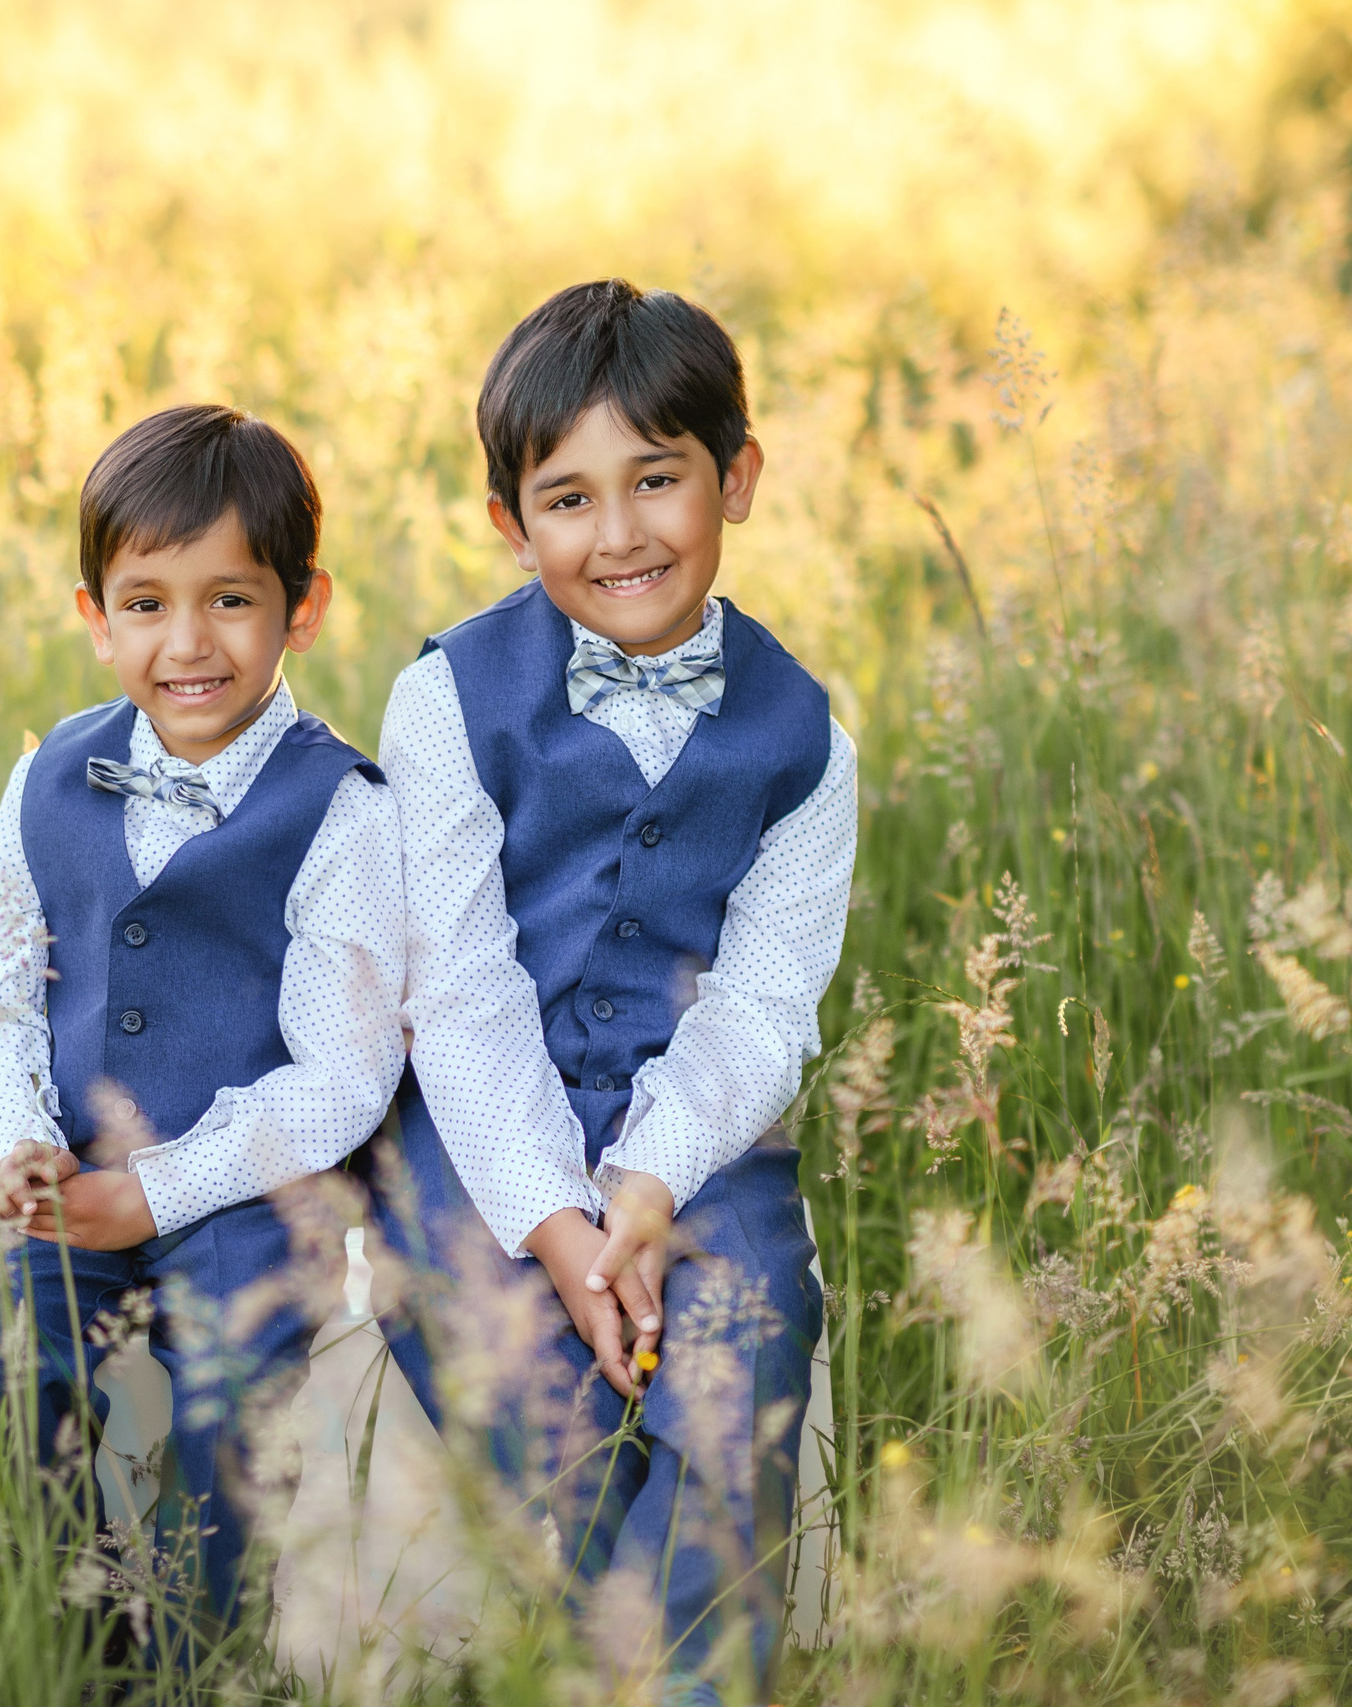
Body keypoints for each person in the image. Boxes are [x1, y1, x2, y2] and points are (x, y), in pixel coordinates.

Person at [375, 280, 858, 1705]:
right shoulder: (449, 699)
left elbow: (765, 1003)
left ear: (739, 477)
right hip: (482, 1125)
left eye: (658, 479)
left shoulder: (806, 735)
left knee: (755, 1321)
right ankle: (635, 1648)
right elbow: (455, 996)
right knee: (523, 1365)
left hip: (693, 1124)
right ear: (512, 528)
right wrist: (559, 1225)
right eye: (569, 499)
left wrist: (647, 1186)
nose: (621, 532)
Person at [0, 403, 405, 1651]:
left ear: (302, 609)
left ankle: (203, 1656)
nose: (187, 644)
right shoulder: (50, 775)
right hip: (66, 1181)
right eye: (145, 603)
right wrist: (15, 1147)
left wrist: (157, 1195)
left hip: (254, 1194)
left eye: (230, 601)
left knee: (224, 1386)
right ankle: (78, 1652)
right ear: (95, 617)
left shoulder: (342, 811)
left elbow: (344, 1077)